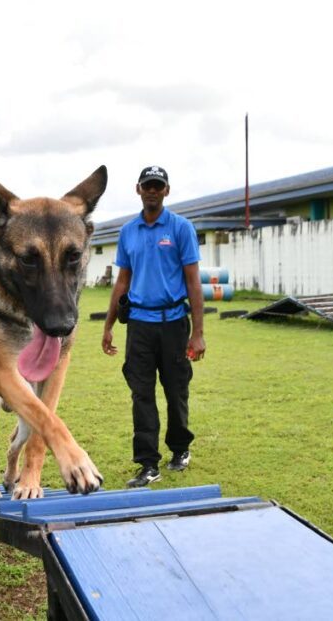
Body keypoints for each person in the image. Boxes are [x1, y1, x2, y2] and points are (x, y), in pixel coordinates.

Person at [101, 165, 206, 488]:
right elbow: (122, 281)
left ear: (166, 191)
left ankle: (180, 448)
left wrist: (198, 332)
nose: (152, 191)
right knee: (141, 394)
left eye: (158, 186)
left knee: (176, 392)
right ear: (138, 189)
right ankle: (148, 463)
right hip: (140, 328)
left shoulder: (180, 228)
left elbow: (193, 281)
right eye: (148, 185)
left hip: (174, 324)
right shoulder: (128, 232)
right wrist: (108, 326)